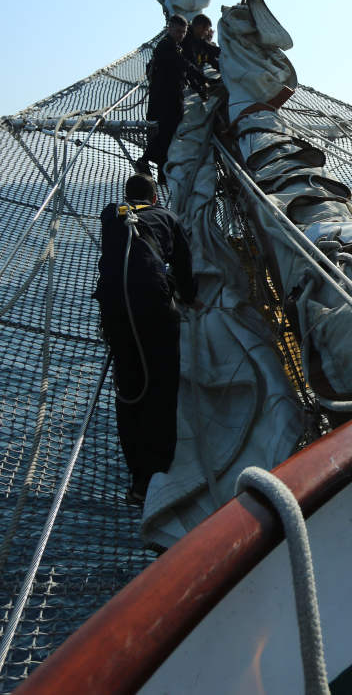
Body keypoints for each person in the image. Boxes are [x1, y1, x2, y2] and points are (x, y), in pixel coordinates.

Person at [94, 173, 198, 505]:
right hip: (154, 307)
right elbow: (182, 264)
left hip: (116, 310)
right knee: (162, 387)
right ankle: (160, 468)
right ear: (155, 199)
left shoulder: (112, 214)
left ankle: (138, 477)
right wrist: (190, 296)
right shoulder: (168, 217)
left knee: (129, 390)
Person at [137, 15, 206, 183]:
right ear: (169, 29)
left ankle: (162, 174)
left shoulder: (174, 46)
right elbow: (182, 65)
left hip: (167, 98)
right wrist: (201, 78)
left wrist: (199, 87)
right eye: (178, 31)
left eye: (183, 32)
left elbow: (183, 71)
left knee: (168, 136)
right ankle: (144, 160)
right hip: (166, 99)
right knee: (168, 130)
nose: (181, 35)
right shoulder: (165, 46)